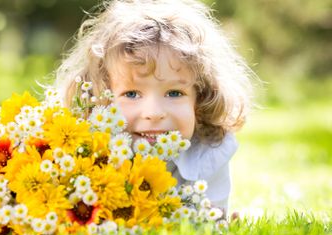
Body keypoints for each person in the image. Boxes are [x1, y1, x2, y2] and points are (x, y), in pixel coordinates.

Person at [54, 0, 255, 214]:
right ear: (102, 99)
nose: (154, 113)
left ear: (200, 98)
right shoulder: (86, 153)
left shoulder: (210, 151)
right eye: (131, 94)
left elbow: (209, 221)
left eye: (174, 93)